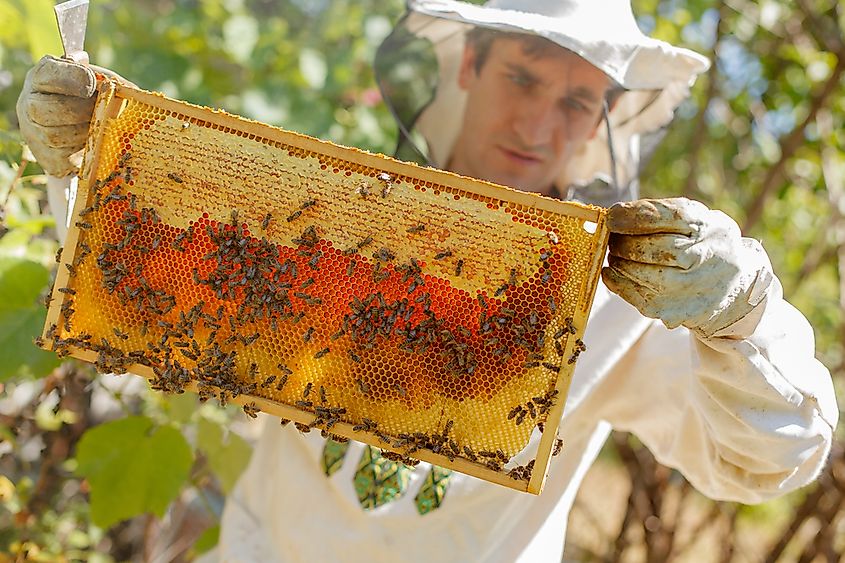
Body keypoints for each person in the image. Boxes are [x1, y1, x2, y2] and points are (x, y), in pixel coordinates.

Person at [16, 1, 838, 561]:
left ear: (603, 119)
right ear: (469, 66)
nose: (537, 125)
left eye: (577, 101)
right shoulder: (331, 215)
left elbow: (766, 462)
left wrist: (742, 315)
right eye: (522, 76)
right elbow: (144, 290)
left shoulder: (618, 300)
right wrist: (80, 166)